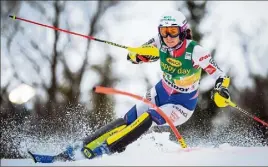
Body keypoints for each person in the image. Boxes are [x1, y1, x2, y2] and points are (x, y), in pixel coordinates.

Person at [29, 10, 231, 163]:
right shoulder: (159, 43)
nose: (168, 37)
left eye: (173, 32)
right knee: (127, 120)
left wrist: (221, 89)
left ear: (184, 32)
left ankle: (105, 150)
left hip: (182, 104)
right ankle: (73, 151)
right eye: (164, 32)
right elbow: (132, 55)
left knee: (150, 117)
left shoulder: (196, 51)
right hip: (160, 92)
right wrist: (139, 55)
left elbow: (220, 74)